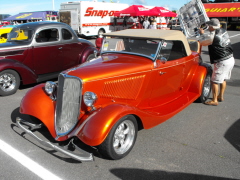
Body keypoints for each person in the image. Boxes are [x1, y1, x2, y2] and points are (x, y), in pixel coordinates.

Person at [199, 18, 235, 106]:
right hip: (230, 58)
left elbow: (202, 42)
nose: (207, 27)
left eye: (208, 25)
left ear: (211, 26)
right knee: (223, 79)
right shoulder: (223, 30)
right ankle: (220, 96)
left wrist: (201, 34)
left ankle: (214, 100)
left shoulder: (213, 36)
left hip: (222, 61)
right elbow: (212, 35)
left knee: (214, 81)